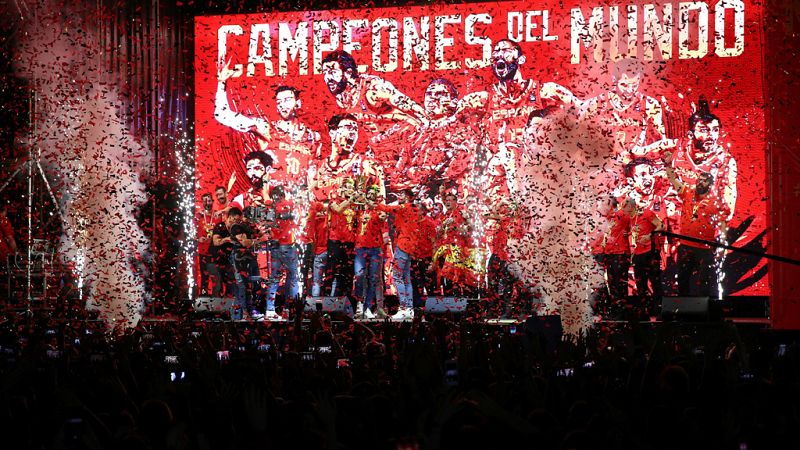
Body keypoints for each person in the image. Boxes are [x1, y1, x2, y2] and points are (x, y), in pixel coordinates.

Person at [662, 99, 736, 298]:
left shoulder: (725, 162)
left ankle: (712, 322)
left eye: (715, 130)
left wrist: (720, 231)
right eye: (704, 129)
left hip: (710, 239)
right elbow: (675, 190)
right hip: (686, 238)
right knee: (683, 283)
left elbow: (728, 203)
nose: (711, 135)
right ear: (691, 133)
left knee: (709, 284)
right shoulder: (679, 155)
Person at [215, 63, 320, 190]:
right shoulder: (266, 128)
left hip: (299, 202)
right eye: (279, 102)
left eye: (287, 100)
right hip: (272, 199)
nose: (282, 105)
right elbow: (222, 114)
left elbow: (314, 174)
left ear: (298, 103)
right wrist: (222, 83)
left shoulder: (312, 137)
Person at [321, 50, 428, 171]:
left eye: (332, 71)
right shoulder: (342, 99)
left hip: (407, 143)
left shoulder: (372, 88)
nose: (327, 77)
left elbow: (410, 106)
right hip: (383, 153)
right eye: (325, 72)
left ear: (349, 73)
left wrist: (427, 128)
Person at [353, 185, 389, 319]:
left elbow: (383, 216)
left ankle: (368, 307)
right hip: (360, 247)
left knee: (373, 278)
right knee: (359, 276)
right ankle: (359, 304)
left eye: (374, 193)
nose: (371, 196)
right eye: (369, 193)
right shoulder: (360, 209)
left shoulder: (379, 209)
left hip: (375, 248)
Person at [263, 185, 299, 320]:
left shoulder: (269, 207)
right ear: (283, 194)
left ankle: (270, 310)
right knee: (292, 279)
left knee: (275, 278)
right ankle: (290, 309)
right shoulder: (289, 204)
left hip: (275, 245)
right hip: (287, 246)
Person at [213, 208, 255, 320]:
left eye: (239, 220)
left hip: (236, 261)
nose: (237, 222)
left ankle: (239, 314)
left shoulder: (238, 228)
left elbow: (246, 242)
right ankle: (221, 313)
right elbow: (215, 242)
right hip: (221, 262)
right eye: (235, 219)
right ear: (230, 217)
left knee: (239, 285)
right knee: (223, 288)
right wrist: (226, 239)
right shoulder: (220, 227)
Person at [628, 197, 664, 318]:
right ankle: (644, 312)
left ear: (632, 206)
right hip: (638, 254)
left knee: (655, 282)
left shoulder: (646, 213)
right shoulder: (631, 219)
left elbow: (661, 225)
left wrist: (650, 236)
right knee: (641, 284)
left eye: (625, 205)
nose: (623, 208)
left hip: (650, 252)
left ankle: (659, 311)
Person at [196, 193, 221, 297]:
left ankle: (217, 299)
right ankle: (203, 298)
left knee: (217, 276)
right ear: (202, 202)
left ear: (213, 201)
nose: (207, 203)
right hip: (203, 251)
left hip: (215, 251)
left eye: (209, 201)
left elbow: (222, 232)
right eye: (205, 201)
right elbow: (190, 232)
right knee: (204, 276)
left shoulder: (217, 216)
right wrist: (198, 239)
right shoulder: (198, 216)